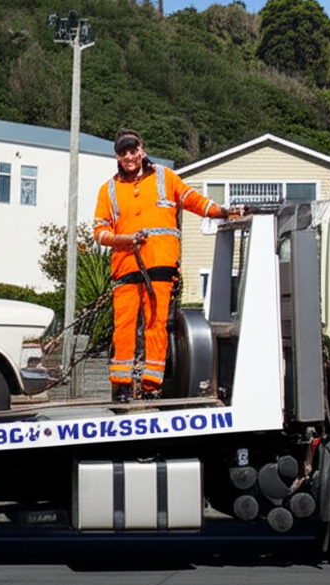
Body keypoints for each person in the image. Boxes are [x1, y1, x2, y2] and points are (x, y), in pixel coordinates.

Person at [93, 129, 227, 401]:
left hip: (161, 265)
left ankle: (151, 387)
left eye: (133, 150)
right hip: (126, 268)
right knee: (124, 328)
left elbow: (192, 200)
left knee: (156, 325)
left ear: (141, 150)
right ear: (117, 156)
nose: (129, 156)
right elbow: (100, 232)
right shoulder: (109, 190)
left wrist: (221, 211)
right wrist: (125, 239)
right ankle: (121, 386)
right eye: (123, 152)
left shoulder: (166, 178)